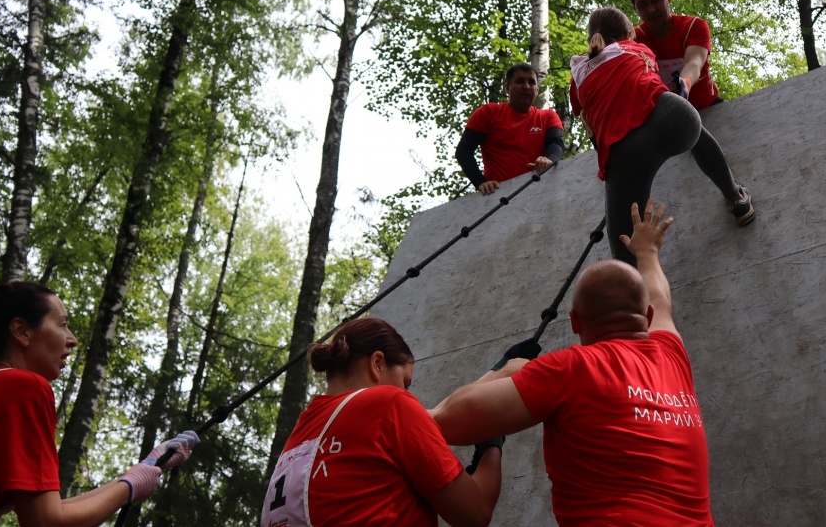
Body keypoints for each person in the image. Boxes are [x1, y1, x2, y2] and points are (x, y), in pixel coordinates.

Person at [430, 200, 715, 527]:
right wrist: (647, 250)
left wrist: (506, 369)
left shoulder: (569, 370)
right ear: (646, 316)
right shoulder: (671, 354)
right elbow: (661, 298)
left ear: (574, 322)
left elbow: (443, 423)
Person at [0, 281, 198, 527]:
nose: (73, 340)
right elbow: (47, 523)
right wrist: (128, 488)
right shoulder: (23, 388)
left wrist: (140, 471)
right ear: (21, 331)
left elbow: (47, 511)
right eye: (62, 324)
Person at [260, 317, 501, 527]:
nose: (409, 394)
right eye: (406, 383)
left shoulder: (301, 434)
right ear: (377, 364)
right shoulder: (390, 403)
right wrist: (491, 442)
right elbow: (475, 514)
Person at [570, 6, 752, 264]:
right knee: (698, 135)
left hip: (624, 149)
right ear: (629, 33)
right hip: (672, 116)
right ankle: (736, 198)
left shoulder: (577, 73)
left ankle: (633, 295)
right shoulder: (639, 49)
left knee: (623, 243)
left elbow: (587, 118)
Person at [456, 63, 564, 196]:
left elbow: (556, 143)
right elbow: (464, 150)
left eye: (531, 82)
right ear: (507, 87)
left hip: (539, 193)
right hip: (498, 197)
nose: (526, 86)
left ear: (537, 89)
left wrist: (549, 159)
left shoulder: (548, 116)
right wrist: (480, 182)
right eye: (520, 81)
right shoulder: (489, 112)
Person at [629, 0, 721, 110]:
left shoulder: (694, 26)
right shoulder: (633, 40)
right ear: (635, 9)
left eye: (656, 0)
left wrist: (684, 86)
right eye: (642, 5)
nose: (651, 9)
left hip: (708, 107)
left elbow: (694, 62)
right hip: (667, 117)